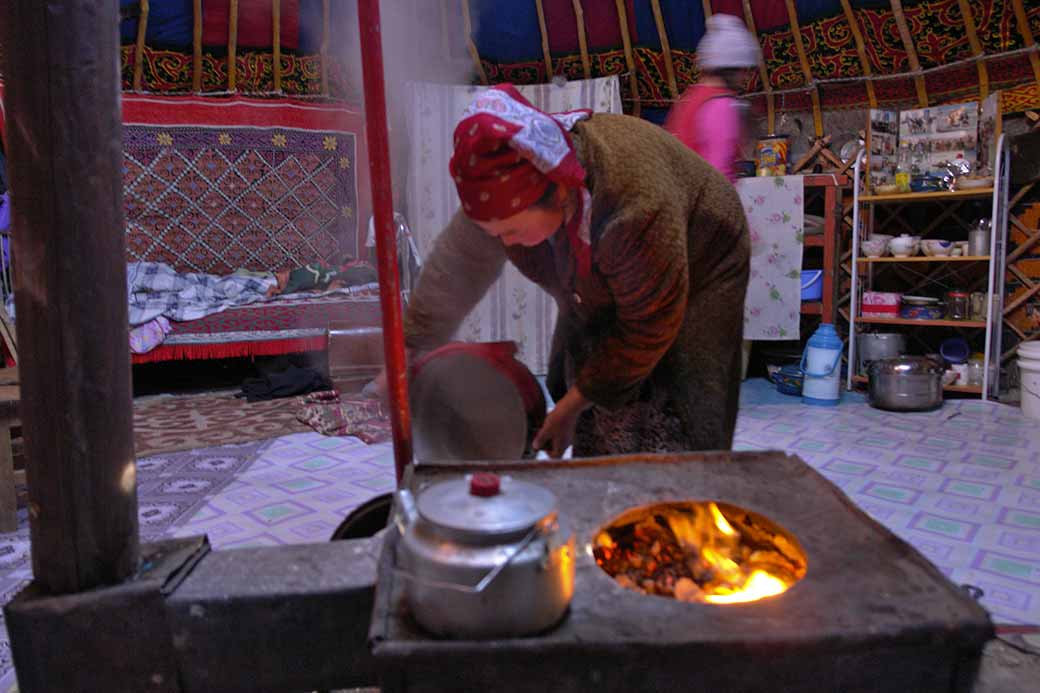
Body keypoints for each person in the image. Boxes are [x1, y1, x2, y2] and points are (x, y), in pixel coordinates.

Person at [385, 84, 748, 458]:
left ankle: (685, 487)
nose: (504, 241)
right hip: (627, 251)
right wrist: (409, 348)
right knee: (585, 368)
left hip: (707, 248)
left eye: (511, 232)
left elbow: (647, 325)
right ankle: (598, 475)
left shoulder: (635, 207)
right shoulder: (507, 176)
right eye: (497, 235)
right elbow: (456, 264)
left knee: (684, 398)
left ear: (559, 192)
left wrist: (574, 404)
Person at [664, 13, 760, 182]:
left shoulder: (689, 98)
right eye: (744, 70)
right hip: (706, 201)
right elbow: (719, 172)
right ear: (730, 69)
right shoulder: (721, 104)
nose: (746, 77)